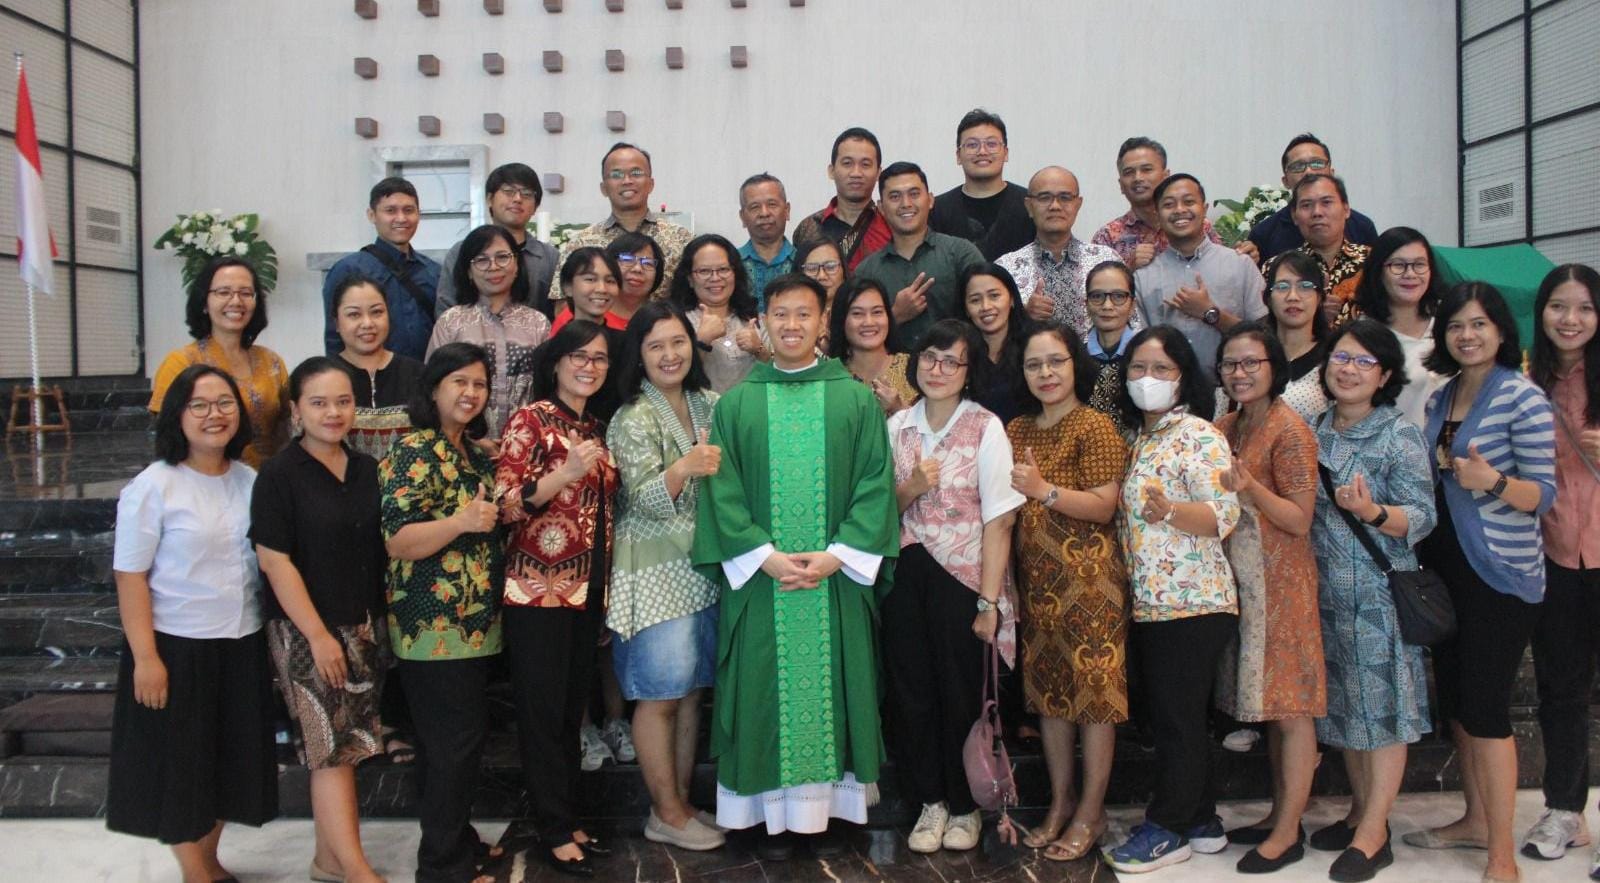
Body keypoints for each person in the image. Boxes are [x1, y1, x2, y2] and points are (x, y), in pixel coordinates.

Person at [690, 274, 898, 861]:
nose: (791, 326)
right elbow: (721, 492)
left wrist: (836, 556)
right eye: (779, 315)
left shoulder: (856, 398)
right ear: (762, 322)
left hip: (834, 578)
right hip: (762, 579)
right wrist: (767, 557)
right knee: (761, 685)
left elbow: (875, 485)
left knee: (834, 682)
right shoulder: (737, 404)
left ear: (822, 322)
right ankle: (760, 808)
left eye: (803, 315)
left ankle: (830, 808)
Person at [1409, 283, 1556, 883]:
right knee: (1463, 708)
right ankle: (1473, 820)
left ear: (1500, 330)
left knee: (1489, 710)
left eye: (1478, 324)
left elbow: (1542, 495)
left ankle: (1501, 854)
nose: (1467, 335)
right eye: (1455, 326)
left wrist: (1492, 481)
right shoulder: (1443, 396)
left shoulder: (1524, 398)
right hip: (1447, 568)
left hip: (1498, 571)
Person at [108, 365, 277, 883]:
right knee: (181, 767)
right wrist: (146, 659)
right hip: (176, 648)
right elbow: (130, 575)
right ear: (178, 414)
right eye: (199, 405)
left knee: (227, 762)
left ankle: (209, 860)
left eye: (224, 403)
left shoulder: (251, 480)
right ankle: (194, 871)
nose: (214, 415)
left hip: (241, 641)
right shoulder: (154, 485)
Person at [1102, 326, 1240, 875]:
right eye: (1137, 369)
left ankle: (1168, 827)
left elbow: (1222, 516)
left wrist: (1170, 513)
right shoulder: (1141, 439)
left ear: (1183, 376)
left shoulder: (1200, 436)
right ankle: (1202, 818)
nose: (1147, 379)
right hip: (1152, 604)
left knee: (1176, 720)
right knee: (1176, 716)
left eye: (1161, 369)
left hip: (1194, 603)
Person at [884, 319, 1025, 854]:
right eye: (929, 358)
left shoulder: (985, 426)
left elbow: (1000, 520)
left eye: (951, 361)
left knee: (960, 691)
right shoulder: (896, 426)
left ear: (969, 372)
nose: (937, 369)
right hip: (906, 572)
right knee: (912, 692)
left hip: (965, 579)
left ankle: (965, 807)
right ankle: (930, 803)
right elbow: (879, 510)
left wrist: (989, 601)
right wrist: (913, 486)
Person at [1307, 318, 1436, 883]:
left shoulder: (1397, 433)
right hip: (1326, 596)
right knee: (1347, 712)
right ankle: (1362, 811)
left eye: (1363, 362)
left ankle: (1373, 833)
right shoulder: (1313, 429)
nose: (1349, 369)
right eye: (1341, 357)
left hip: (1379, 597)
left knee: (1381, 715)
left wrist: (1373, 513)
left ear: (1384, 374)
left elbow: (1424, 516)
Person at [252, 357, 389, 883]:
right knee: (330, 749)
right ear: (295, 410)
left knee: (344, 747)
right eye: (319, 402)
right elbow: (274, 558)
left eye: (343, 401)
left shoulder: (365, 469)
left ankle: (327, 860)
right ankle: (354, 867)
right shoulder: (279, 474)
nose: (333, 413)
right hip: (307, 631)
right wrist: (315, 634)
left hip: (362, 626)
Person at [491, 320, 621, 876]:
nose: (589, 366)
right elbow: (505, 502)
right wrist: (562, 473)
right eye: (579, 356)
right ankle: (551, 828)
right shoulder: (531, 418)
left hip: (586, 590)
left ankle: (567, 819)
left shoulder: (595, 424)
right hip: (537, 592)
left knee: (570, 714)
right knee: (544, 715)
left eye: (599, 358)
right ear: (557, 361)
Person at [1005, 323, 1129, 862]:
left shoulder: (1096, 425)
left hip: (1092, 584)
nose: (1046, 374)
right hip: (1038, 586)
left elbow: (1105, 505)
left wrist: (1044, 491)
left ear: (1074, 363)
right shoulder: (1016, 428)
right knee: (1050, 700)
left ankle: (1091, 812)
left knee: (1095, 703)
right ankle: (1060, 803)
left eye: (1055, 362)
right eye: (1035, 365)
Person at [380, 343, 505, 883]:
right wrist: (459, 522)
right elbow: (399, 541)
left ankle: (458, 839)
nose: (470, 393)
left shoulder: (474, 454)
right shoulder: (413, 450)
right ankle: (441, 866)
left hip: (476, 623)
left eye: (479, 384)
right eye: (459, 381)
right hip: (431, 624)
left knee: (455, 745)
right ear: (433, 388)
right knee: (451, 746)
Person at [606, 302, 726, 852]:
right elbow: (644, 500)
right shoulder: (633, 416)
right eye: (655, 346)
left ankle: (680, 802)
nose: (670, 354)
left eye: (678, 342)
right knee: (658, 697)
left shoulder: (710, 403)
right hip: (653, 573)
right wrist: (682, 467)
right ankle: (665, 811)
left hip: (701, 569)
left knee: (691, 693)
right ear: (640, 355)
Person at [1210, 323, 1326, 874]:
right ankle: (1283, 814)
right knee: (1271, 708)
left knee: (1292, 711)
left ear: (1273, 367)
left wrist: (1249, 487)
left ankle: (1287, 831)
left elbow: (1300, 520)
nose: (1241, 372)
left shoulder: (1291, 429)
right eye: (1231, 363)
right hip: (1242, 581)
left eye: (1252, 362)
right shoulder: (1225, 425)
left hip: (1283, 586)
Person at [1523, 264, 1600, 867]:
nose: (1569, 320)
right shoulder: (1527, 378)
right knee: (1562, 690)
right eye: (1558, 307)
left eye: (1583, 308)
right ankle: (1565, 811)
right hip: (1552, 556)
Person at [151, 255, 288, 468]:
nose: (236, 301)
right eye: (223, 292)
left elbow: (287, 426)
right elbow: (167, 436)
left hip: (268, 481)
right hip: (206, 481)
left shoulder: (272, 362)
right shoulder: (180, 363)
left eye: (245, 293)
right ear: (204, 302)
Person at [1133, 174, 1268, 377]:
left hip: (1233, 390)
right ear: (1157, 215)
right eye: (1169, 204)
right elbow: (1140, 347)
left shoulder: (1240, 265)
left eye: (1189, 202)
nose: (1179, 210)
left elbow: (1263, 338)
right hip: (1169, 396)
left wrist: (1210, 313)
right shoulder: (1144, 277)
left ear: (1204, 209)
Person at [427, 224, 553, 440]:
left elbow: (549, 391)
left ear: (516, 265)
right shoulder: (451, 322)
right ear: (468, 270)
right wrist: (471, 439)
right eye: (482, 260)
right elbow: (432, 386)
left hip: (528, 442)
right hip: (464, 442)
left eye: (502, 257)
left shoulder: (538, 324)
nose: (493, 267)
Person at [856, 161, 987, 352]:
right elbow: (855, 334)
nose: (906, 204)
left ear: (931, 200)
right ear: (881, 208)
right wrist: (895, 315)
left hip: (955, 370)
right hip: (889, 376)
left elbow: (987, 309)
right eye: (894, 196)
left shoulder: (960, 253)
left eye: (914, 194)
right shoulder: (867, 271)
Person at [552, 142, 691, 302]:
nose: (627, 181)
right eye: (616, 175)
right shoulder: (581, 242)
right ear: (603, 188)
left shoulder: (681, 239)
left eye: (636, 173)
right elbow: (562, 302)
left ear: (651, 184)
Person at [322, 177, 440, 360]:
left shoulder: (434, 272)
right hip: (367, 379)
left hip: (424, 379)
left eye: (409, 210)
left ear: (419, 214)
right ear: (372, 215)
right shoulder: (348, 270)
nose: (401, 218)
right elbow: (334, 338)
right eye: (390, 210)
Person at [997, 166, 1122, 338]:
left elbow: (1131, 323)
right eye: (1044, 197)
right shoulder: (1006, 268)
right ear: (1029, 206)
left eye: (1065, 197)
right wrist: (1023, 316)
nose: (1055, 206)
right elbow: (993, 337)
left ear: (1078, 205)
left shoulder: (1105, 261)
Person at [437, 163, 560, 320]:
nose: (517, 199)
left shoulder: (550, 257)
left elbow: (558, 313)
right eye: (508, 191)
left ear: (535, 207)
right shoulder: (462, 250)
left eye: (527, 194)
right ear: (490, 199)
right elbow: (445, 308)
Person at [1349, 227, 1445, 427]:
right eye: (1398, 265)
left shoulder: (1449, 324)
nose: (1410, 274)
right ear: (1379, 271)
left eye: (1419, 265)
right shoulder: (1363, 338)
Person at [329, 274, 425, 461]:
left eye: (376, 312)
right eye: (354, 314)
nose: (367, 323)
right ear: (337, 323)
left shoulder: (419, 375)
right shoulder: (321, 379)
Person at [1243, 134, 1380, 264]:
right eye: (1298, 166)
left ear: (1331, 173)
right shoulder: (1264, 234)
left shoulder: (1362, 227)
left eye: (1317, 164)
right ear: (1285, 181)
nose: (1308, 171)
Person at [1091, 137, 1224, 269]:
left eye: (1147, 169)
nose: (1138, 178)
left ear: (1166, 176)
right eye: (1129, 172)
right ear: (1121, 185)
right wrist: (1129, 270)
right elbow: (1096, 288)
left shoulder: (1196, 224)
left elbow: (1221, 269)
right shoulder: (1107, 238)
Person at [929, 108, 1036, 260]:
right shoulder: (937, 210)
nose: (982, 151)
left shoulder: (1030, 204)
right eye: (972, 145)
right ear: (958, 156)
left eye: (991, 144)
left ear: (1005, 153)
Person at [671, 234, 766, 393]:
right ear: (689, 279)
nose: (715, 278)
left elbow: (779, 373)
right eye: (704, 271)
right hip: (699, 414)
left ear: (735, 273)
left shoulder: (755, 318)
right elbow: (671, 377)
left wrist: (759, 350)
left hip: (749, 413)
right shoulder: (674, 321)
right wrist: (701, 341)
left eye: (723, 269)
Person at [792, 127, 892, 271]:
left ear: (878, 173)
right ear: (831, 171)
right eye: (847, 163)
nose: (856, 173)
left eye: (865, 164)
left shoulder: (892, 225)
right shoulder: (808, 229)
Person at [1254, 252, 1333, 422]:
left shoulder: (1333, 357)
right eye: (1282, 287)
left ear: (1319, 297)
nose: (1293, 297)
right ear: (1267, 297)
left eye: (1304, 286)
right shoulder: (1251, 355)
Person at [1290, 174, 1370, 325]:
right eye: (1306, 205)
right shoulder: (1279, 268)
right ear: (1294, 216)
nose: (1317, 212)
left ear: (1346, 209)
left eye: (1326, 202)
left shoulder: (1374, 261)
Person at [830, 277, 917, 415]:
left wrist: (898, 408)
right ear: (842, 320)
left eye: (877, 312)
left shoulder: (915, 368)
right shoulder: (832, 377)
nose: (869, 322)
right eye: (857, 314)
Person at [958, 263, 1029, 424]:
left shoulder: (1035, 345)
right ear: (966, 309)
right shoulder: (959, 355)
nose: (986, 307)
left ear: (1012, 299)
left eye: (994, 296)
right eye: (975, 300)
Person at [1081, 260, 1139, 434]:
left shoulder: (1145, 356)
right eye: (1097, 296)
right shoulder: (1074, 358)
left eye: (1118, 296)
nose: (1107, 306)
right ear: (1086, 304)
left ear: (1132, 305)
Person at [737, 173, 794, 307]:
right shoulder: (730, 264)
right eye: (755, 207)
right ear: (742, 217)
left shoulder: (804, 262)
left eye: (772, 204)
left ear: (787, 210)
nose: (764, 213)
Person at [551, 247, 628, 333]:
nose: (602, 289)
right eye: (590, 279)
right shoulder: (555, 345)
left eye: (610, 281)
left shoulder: (627, 344)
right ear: (568, 287)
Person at [795, 237, 848, 352]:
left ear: (844, 270)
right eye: (812, 268)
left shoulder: (857, 314)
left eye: (830, 267)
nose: (822, 276)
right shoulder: (791, 320)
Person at [607, 231, 666, 320]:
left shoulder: (664, 322)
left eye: (647, 263)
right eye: (627, 259)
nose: (637, 269)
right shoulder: (590, 315)